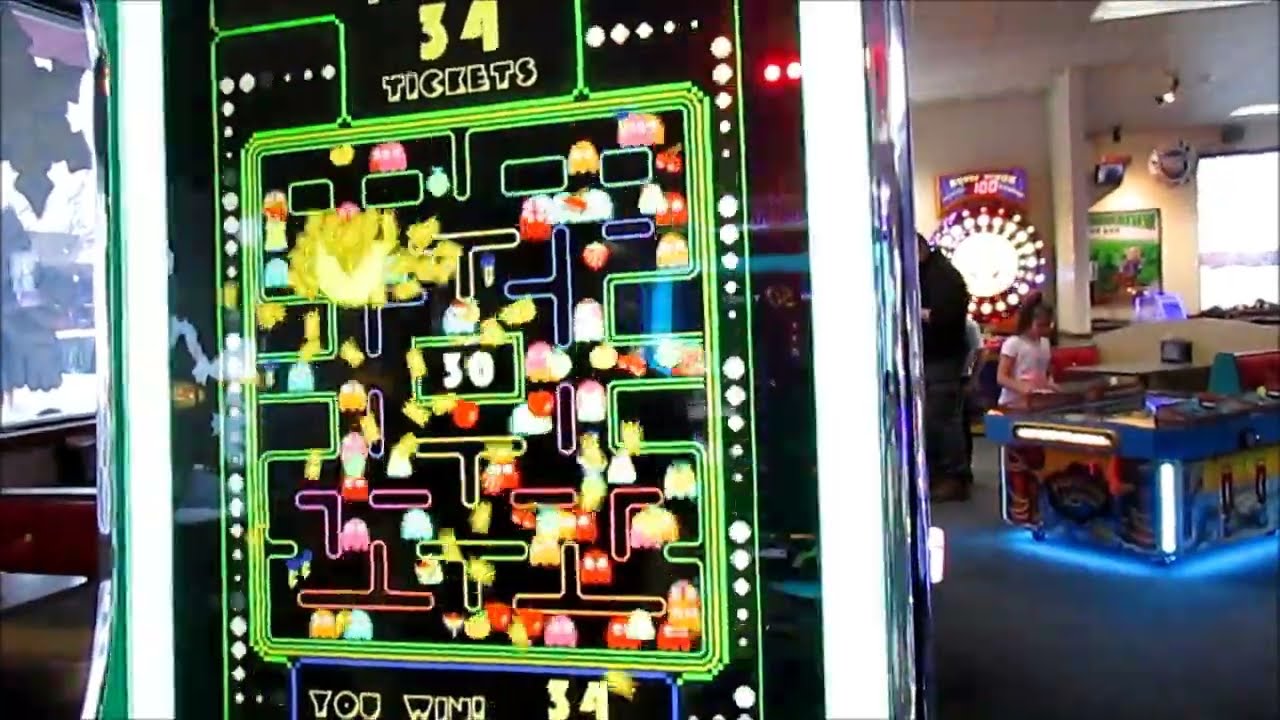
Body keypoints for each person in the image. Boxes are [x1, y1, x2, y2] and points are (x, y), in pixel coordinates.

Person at [917, 232, 972, 501]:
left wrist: (920, 312)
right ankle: (944, 474)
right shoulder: (935, 273)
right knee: (937, 418)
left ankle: (953, 476)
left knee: (941, 419)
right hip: (936, 357)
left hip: (942, 358)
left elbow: (946, 316)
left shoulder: (942, 277)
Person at [996, 293, 1059, 408]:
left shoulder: (1045, 343)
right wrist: (1021, 387)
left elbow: (1046, 371)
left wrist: (1050, 384)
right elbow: (1001, 377)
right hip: (1012, 403)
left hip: (1037, 403)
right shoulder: (1014, 343)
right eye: (1040, 325)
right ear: (1029, 322)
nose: (1045, 329)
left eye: (1048, 325)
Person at [960, 314, 984, 486]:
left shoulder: (969, 325)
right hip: (955, 376)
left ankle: (965, 469)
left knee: (962, 425)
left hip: (963, 377)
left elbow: (981, 352)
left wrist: (974, 378)